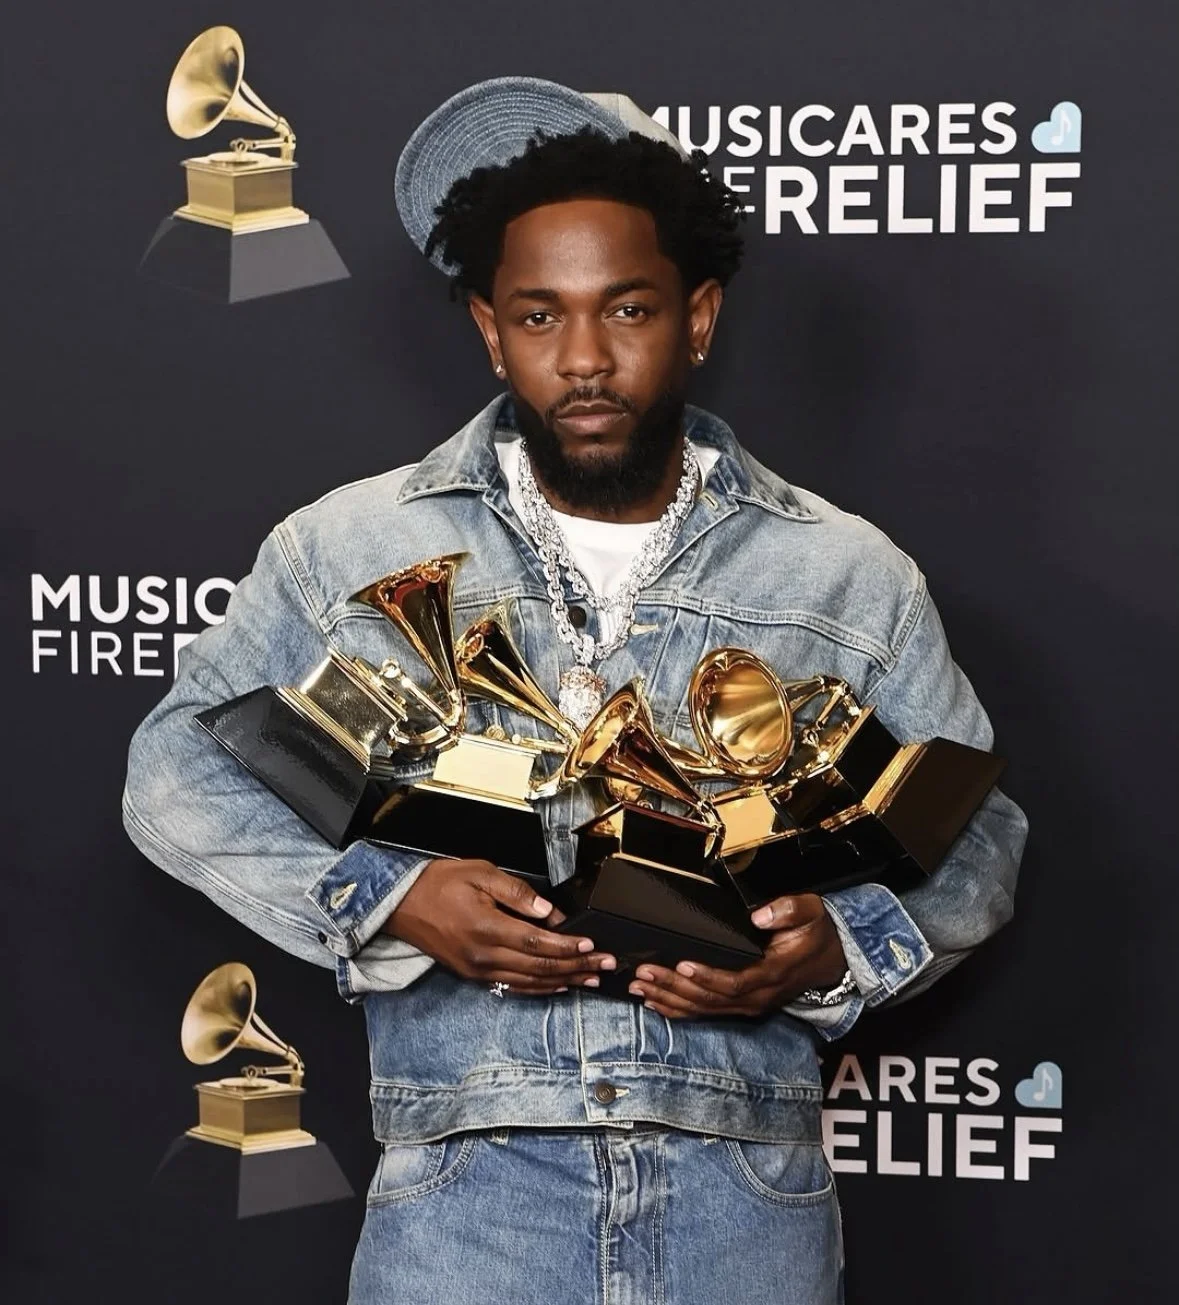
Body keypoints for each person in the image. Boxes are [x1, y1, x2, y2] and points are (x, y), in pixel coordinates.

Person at [123, 77, 1028, 1305]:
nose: (586, 359)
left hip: (744, 1203)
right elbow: (177, 763)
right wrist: (391, 902)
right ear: (491, 333)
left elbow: (974, 834)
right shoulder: (344, 549)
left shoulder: (845, 571)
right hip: (464, 1202)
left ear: (698, 318)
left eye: (630, 310)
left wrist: (832, 953)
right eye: (540, 316)